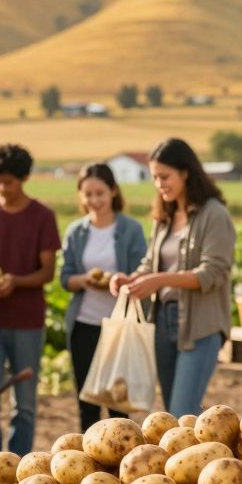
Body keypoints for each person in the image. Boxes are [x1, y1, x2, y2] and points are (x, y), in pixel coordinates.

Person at [110, 138, 235, 418]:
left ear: (185, 172)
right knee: (171, 415)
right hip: (162, 323)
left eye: (164, 177)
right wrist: (129, 279)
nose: (159, 184)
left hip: (201, 326)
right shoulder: (164, 216)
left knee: (182, 412)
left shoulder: (214, 214)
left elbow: (212, 274)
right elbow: (150, 263)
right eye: (154, 177)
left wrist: (159, 280)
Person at [0, 143, 60, 457]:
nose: (1, 187)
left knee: (25, 404)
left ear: (24, 179)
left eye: (8, 181)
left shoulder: (42, 217)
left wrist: (15, 282)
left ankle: (19, 468)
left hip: (27, 322)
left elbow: (47, 272)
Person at [59, 163, 147, 430]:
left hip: (118, 327)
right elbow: (66, 278)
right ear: (80, 196)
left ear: (113, 191)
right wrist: (85, 281)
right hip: (84, 325)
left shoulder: (131, 229)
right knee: (87, 406)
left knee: (118, 408)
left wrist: (115, 281)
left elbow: (141, 273)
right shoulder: (76, 231)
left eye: (100, 193)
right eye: (88, 194)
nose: (94, 200)